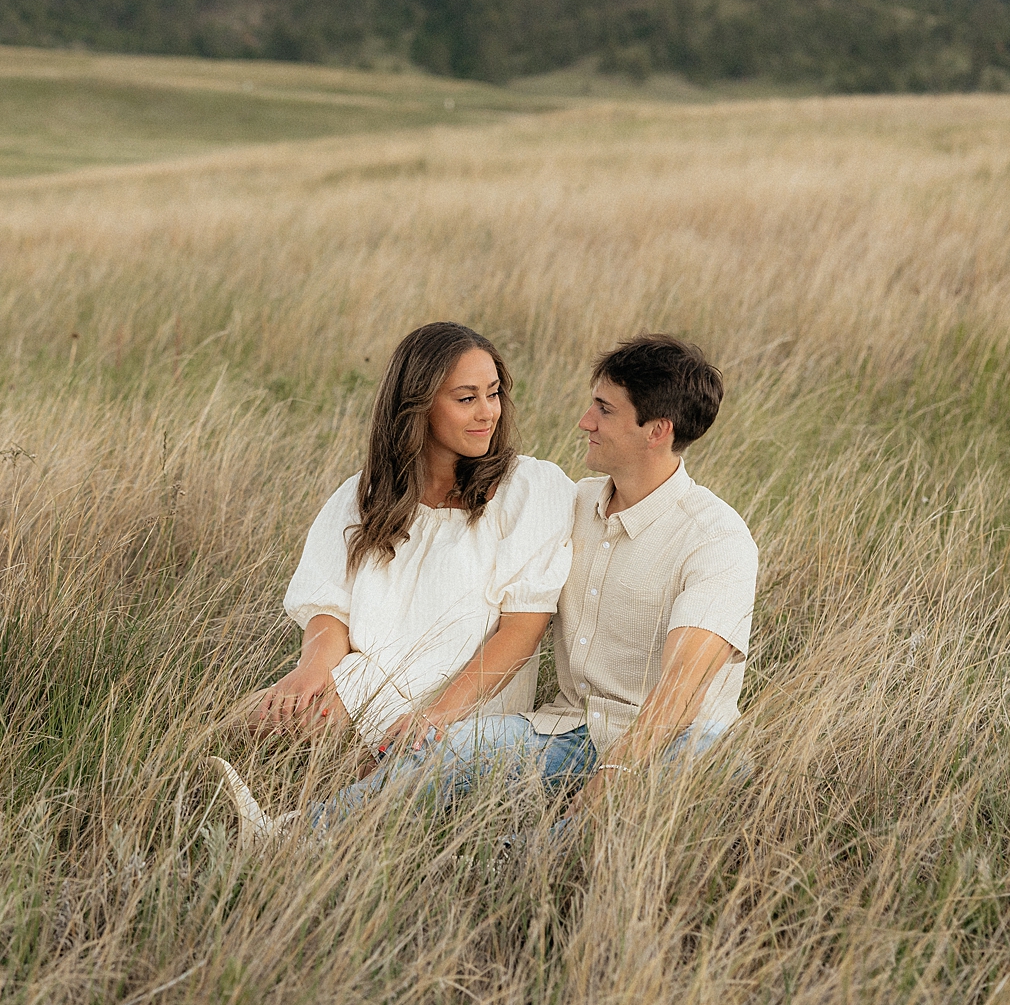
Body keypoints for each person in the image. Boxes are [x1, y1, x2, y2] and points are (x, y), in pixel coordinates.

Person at [216, 333, 758, 842]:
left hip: (680, 740)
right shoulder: (577, 506)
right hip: (572, 730)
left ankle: (523, 863)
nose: (583, 421)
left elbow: (678, 695)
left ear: (657, 430)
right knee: (443, 751)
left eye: (604, 409)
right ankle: (284, 837)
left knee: (597, 827)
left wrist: (608, 783)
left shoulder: (716, 539)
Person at [210, 322, 577, 841]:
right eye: (466, 398)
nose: (488, 412)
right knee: (243, 720)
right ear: (418, 406)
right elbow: (330, 609)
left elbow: (522, 632)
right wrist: (311, 671)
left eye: (493, 394)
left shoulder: (530, 489)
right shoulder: (365, 494)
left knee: (386, 771)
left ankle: (291, 836)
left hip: (462, 696)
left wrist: (436, 717)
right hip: (367, 677)